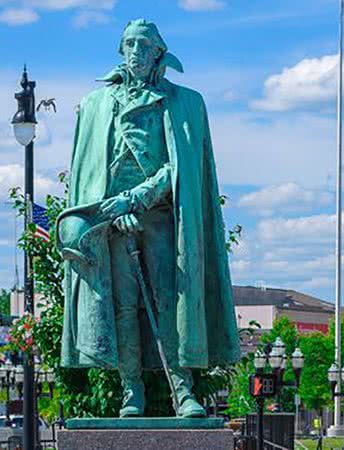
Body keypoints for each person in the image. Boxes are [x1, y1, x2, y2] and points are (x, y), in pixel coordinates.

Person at [56, 19, 240, 418]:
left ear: (159, 51)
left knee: (169, 302)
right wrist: (109, 212)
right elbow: (88, 171)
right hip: (110, 223)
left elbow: (184, 166)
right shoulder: (95, 105)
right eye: (128, 43)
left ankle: (182, 389)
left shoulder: (186, 102)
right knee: (122, 304)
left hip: (162, 217)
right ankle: (131, 390)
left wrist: (136, 199)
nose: (135, 50)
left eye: (143, 44)